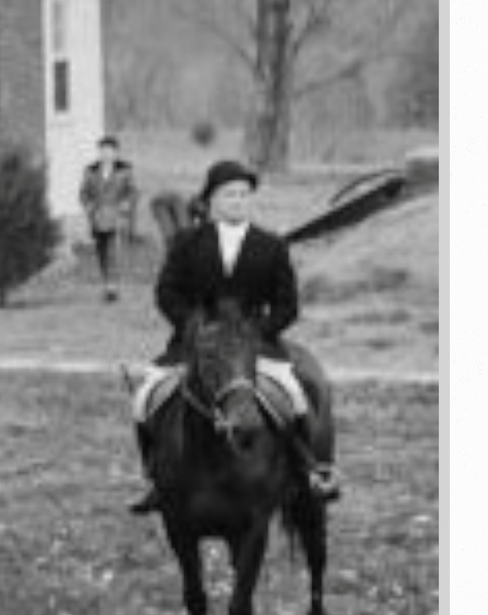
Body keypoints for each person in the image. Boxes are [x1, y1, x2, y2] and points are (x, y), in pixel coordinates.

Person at [127, 156, 342, 514]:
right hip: (196, 344)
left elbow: (288, 305)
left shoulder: (272, 246)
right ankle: (155, 478)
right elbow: (166, 293)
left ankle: (313, 471)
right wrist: (194, 328)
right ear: (211, 200)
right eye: (230, 195)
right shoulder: (187, 243)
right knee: (145, 396)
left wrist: (257, 333)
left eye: (244, 195)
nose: (238, 201)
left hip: (256, 345)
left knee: (298, 394)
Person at [79, 137, 140, 303]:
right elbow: (83, 193)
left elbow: (133, 192)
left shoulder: (125, 170)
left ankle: (112, 287)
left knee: (113, 250)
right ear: (99, 153)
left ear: (115, 153)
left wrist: (126, 204)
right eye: (103, 151)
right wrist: (89, 205)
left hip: (117, 216)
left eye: (109, 151)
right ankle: (106, 282)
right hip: (97, 216)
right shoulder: (90, 171)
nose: (106, 154)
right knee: (101, 251)